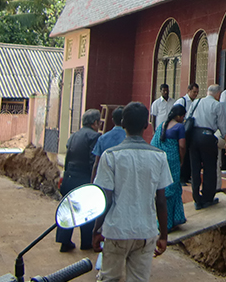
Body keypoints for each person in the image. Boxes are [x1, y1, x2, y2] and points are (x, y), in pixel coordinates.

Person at [92, 102, 172, 282]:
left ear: (122, 123)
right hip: (145, 231)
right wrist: (164, 235)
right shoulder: (159, 156)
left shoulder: (110, 156)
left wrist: (97, 229)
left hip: (116, 230)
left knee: (108, 278)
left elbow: (106, 199)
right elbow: (161, 200)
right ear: (146, 125)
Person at [56, 108, 101, 252]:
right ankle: (86, 242)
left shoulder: (74, 135)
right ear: (95, 122)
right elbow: (93, 161)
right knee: (87, 211)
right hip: (83, 177)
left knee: (69, 209)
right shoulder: (94, 136)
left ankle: (65, 241)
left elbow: (68, 156)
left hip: (70, 176)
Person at [189, 84, 226, 210]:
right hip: (207, 137)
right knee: (210, 168)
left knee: (195, 169)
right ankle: (207, 198)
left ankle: (196, 199)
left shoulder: (196, 102)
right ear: (218, 94)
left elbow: (188, 118)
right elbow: (223, 126)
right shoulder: (217, 105)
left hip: (193, 137)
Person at [150, 104, 187, 231]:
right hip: (173, 162)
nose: (183, 118)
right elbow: (182, 146)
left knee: (164, 190)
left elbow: (153, 144)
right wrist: (181, 160)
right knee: (172, 190)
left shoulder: (161, 126)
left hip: (161, 162)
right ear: (178, 116)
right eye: (183, 116)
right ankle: (169, 223)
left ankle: (163, 221)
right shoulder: (179, 127)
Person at [91, 106, 126, 181]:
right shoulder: (128, 138)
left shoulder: (103, 138)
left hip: (106, 179)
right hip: (123, 178)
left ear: (113, 120)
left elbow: (96, 163)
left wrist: (92, 183)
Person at [174, 84, 199, 184]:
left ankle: (187, 175)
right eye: (194, 92)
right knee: (182, 153)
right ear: (188, 90)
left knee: (189, 155)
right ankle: (181, 178)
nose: (196, 94)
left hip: (190, 132)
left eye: (197, 92)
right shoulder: (182, 101)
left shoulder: (196, 102)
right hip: (182, 131)